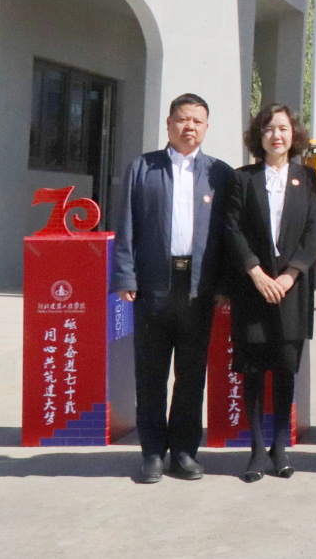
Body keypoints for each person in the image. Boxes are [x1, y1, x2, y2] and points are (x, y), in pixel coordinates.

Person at [111, 93, 233, 484]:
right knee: (150, 373)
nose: (189, 127)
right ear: (168, 124)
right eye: (182, 119)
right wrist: (125, 276)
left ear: (207, 128)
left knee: (191, 374)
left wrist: (224, 284)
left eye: (197, 121)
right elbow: (126, 225)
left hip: (199, 287)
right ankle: (152, 452)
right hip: (152, 285)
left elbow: (229, 236)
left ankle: (183, 451)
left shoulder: (219, 174)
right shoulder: (143, 168)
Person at [220, 103, 316, 483]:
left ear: (293, 135)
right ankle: (257, 450)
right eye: (268, 129)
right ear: (257, 136)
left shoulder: (307, 178)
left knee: (284, 369)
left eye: (282, 128)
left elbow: (313, 231)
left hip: (291, 289)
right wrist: (256, 273)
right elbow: (232, 229)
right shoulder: (242, 178)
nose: (276, 135)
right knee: (252, 371)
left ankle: (280, 447)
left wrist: (291, 275)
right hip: (253, 288)